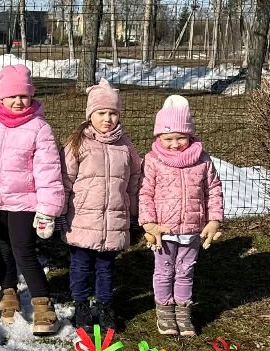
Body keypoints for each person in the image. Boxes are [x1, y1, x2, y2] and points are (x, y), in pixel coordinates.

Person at [0, 64, 65, 335]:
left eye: (23, 96)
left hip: (25, 202)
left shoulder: (40, 128)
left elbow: (48, 172)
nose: (18, 101)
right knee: (2, 248)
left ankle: (42, 303)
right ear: (1, 97)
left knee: (23, 250)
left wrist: (48, 209)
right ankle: (8, 292)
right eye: (12, 96)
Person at [139, 94, 224, 337]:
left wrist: (214, 220)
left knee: (186, 270)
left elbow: (213, 190)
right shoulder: (153, 161)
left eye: (181, 137)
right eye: (168, 138)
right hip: (163, 232)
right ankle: (165, 310)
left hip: (191, 230)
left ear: (190, 135)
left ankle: (183, 311)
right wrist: (149, 223)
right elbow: (145, 193)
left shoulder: (202, 160)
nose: (175, 144)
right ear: (158, 137)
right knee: (164, 270)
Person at [61, 78, 141, 333]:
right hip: (82, 220)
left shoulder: (126, 146)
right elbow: (65, 180)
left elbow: (134, 181)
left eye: (113, 113)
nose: (107, 119)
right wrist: (60, 211)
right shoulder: (77, 144)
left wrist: (134, 213)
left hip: (114, 221)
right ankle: (81, 305)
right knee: (81, 266)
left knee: (106, 267)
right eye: (101, 113)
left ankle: (105, 306)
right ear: (90, 115)